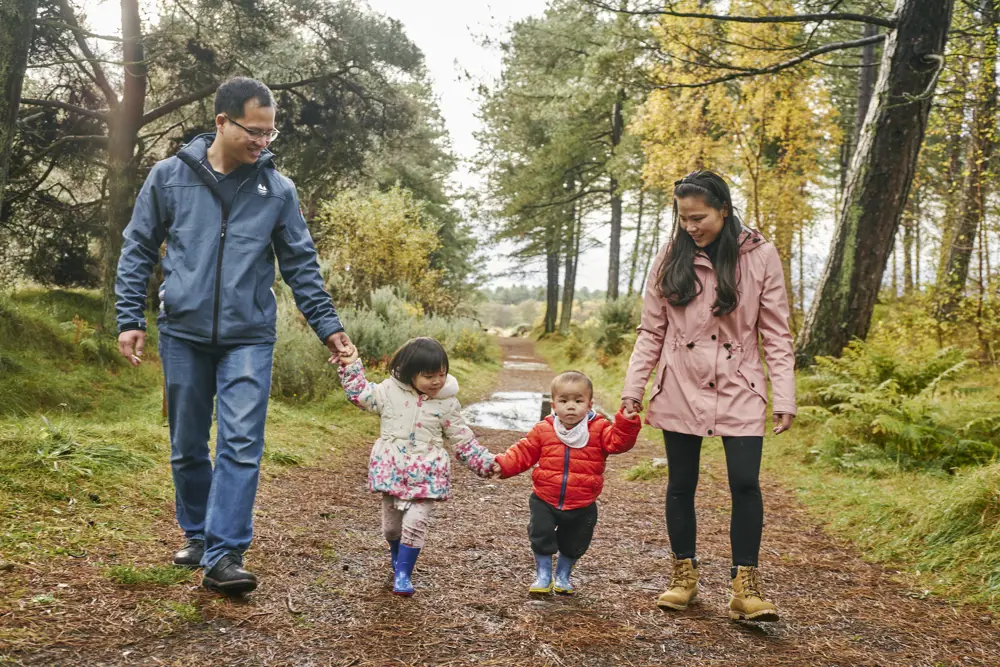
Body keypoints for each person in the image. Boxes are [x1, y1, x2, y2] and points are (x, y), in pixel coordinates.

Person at [115, 77, 351, 596]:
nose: (263, 142)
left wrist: (328, 327)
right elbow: (137, 249)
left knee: (242, 442)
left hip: (249, 335)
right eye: (255, 131)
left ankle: (225, 553)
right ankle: (198, 534)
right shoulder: (168, 178)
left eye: (271, 133)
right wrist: (129, 318)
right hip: (183, 331)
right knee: (187, 445)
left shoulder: (277, 190)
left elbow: (301, 265)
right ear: (221, 121)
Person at [620, 170, 796, 622]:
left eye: (699, 217)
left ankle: (746, 588)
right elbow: (651, 331)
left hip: (741, 384)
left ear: (723, 209)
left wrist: (785, 395)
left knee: (745, 482)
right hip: (679, 383)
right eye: (683, 219)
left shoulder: (760, 256)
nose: (690, 226)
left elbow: (776, 333)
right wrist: (633, 390)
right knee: (681, 483)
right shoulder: (668, 256)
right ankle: (683, 576)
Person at [334, 337, 496, 596]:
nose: (436, 382)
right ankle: (397, 557)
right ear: (410, 373)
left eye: (441, 374)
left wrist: (485, 463)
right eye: (429, 376)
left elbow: (462, 438)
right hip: (392, 469)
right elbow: (360, 395)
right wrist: (351, 365)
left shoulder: (447, 403)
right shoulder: (388, 392)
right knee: (391, 528)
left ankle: (403, 574)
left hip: (428, 472)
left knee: (415, 524)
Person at [492, 371, 641, 596]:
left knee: (575, 542)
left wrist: (626, 422)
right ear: (553, 404)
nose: (571, 407)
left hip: (582, 502)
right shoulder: (544, 429)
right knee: (540, 533)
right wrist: (503, 464)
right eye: (564, 401)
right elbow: (524, 451)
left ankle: (562, 576)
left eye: (578, 401)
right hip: (545, 497)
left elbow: (618, 443)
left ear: (590, 404)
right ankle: (543, 575)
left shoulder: (599, 429)